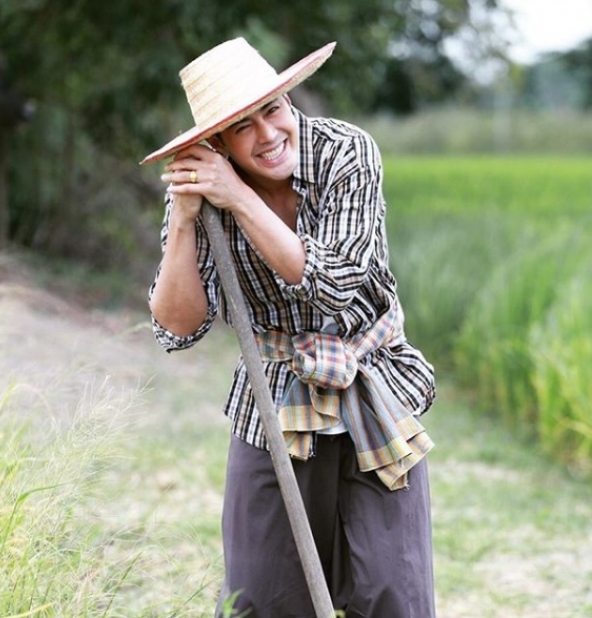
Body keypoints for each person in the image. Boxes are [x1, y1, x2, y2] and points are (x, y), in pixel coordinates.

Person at [143, 37, 437, 618]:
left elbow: (330, 286)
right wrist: (183, 220)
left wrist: (240, 201)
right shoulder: (204, 192)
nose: (268, 134)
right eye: (243, 126)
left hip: (371, 388)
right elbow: (177, 326)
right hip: (271, 401)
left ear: (288, 97)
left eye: (272, 108)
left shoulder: (347, 152)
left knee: (391, 594)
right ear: (218, 144)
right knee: (264, 598)